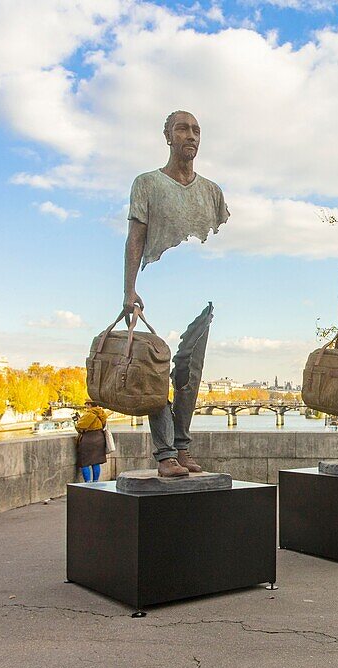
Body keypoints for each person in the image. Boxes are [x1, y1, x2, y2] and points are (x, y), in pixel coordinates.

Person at [123, 110, 229, 478]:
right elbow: (135, 236)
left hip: (201, 299)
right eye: (182, 129)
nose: (191, 136)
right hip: (157, 291)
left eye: (197, 130)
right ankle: (165, 454)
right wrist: (129, 289)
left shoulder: (213, 192)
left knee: (190, 375)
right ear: (167, 136)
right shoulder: (147, 184)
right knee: (155, 373)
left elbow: (219, 244)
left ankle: (182, 447)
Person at [75, 401, 109, 482]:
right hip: (100, 438)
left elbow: (80, 427)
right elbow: (103, 425)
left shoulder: (89, 414)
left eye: (86, 404)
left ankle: (88, 483)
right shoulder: (102, 413)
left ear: (90, 405)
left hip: (89, 439)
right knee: (96, 462)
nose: (86, 406)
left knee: (85, 462)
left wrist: (78, 422)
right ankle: (96, 481)